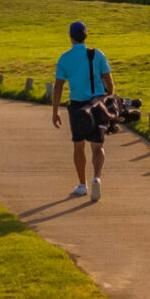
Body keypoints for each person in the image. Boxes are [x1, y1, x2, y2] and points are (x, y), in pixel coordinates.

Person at [50, 20, 114, 202]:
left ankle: (82, 184)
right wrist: (107, 98)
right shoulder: (98, 55)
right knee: (98, 146)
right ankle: (97, 177)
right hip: (98, 105)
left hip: (78, 106)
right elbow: (110, 83)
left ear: (71, 37)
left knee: (79, 146)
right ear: (86, 35)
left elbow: (58, 87)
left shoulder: (65, 58)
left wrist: (55, 112)